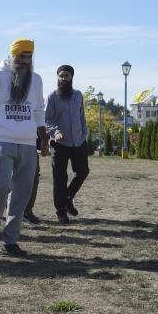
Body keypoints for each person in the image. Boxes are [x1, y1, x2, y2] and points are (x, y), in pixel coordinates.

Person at [0, 39, 49, 257]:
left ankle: (11, 240)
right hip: (1, 141)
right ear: (12, 56)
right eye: (21, 57)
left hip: (27, 143)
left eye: (29, 57)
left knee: (22, 194)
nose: (25, 61)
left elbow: (39, 112)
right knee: (2, 183)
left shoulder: (36, 79)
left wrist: (43, 140)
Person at [45, 64, 90, 224]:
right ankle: (61, 211)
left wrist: (85, 134)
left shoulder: (78, 95)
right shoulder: (52, 97)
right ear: (57, 78)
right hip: (59, 143)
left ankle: (68, 198)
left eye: (67, 75)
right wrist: (55, 131)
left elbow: (81, 116)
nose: (64, 78)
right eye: (61, 76)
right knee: (60, 178)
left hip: (79, 141)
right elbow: (47, 119)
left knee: (83, 172)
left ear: (71, 77)